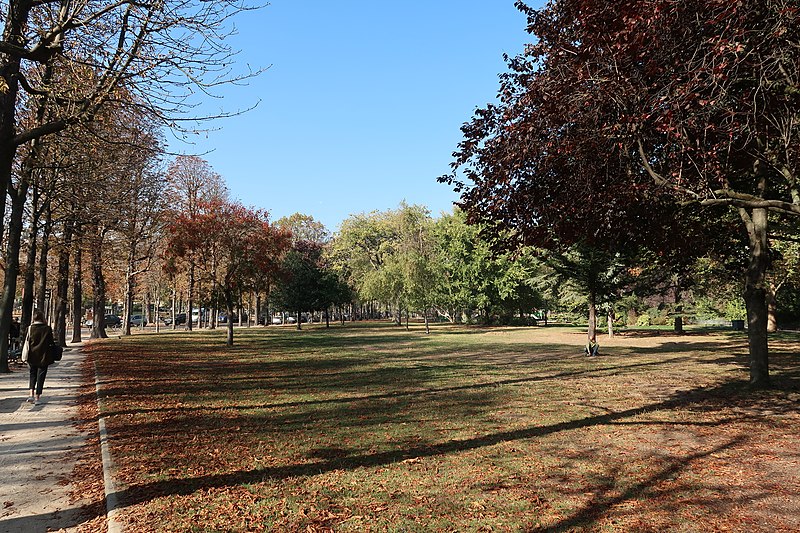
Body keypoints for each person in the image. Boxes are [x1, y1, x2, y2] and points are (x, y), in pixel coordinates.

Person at [24, 310, 56, 405]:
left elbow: (26, 341)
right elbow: (51, 342)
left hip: (31, 355)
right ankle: (37, 397)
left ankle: (31, 394)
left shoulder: (29, 328)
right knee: (41, 376)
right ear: (42, 318)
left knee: (32, 374)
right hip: (44, 356)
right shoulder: (47, 329)